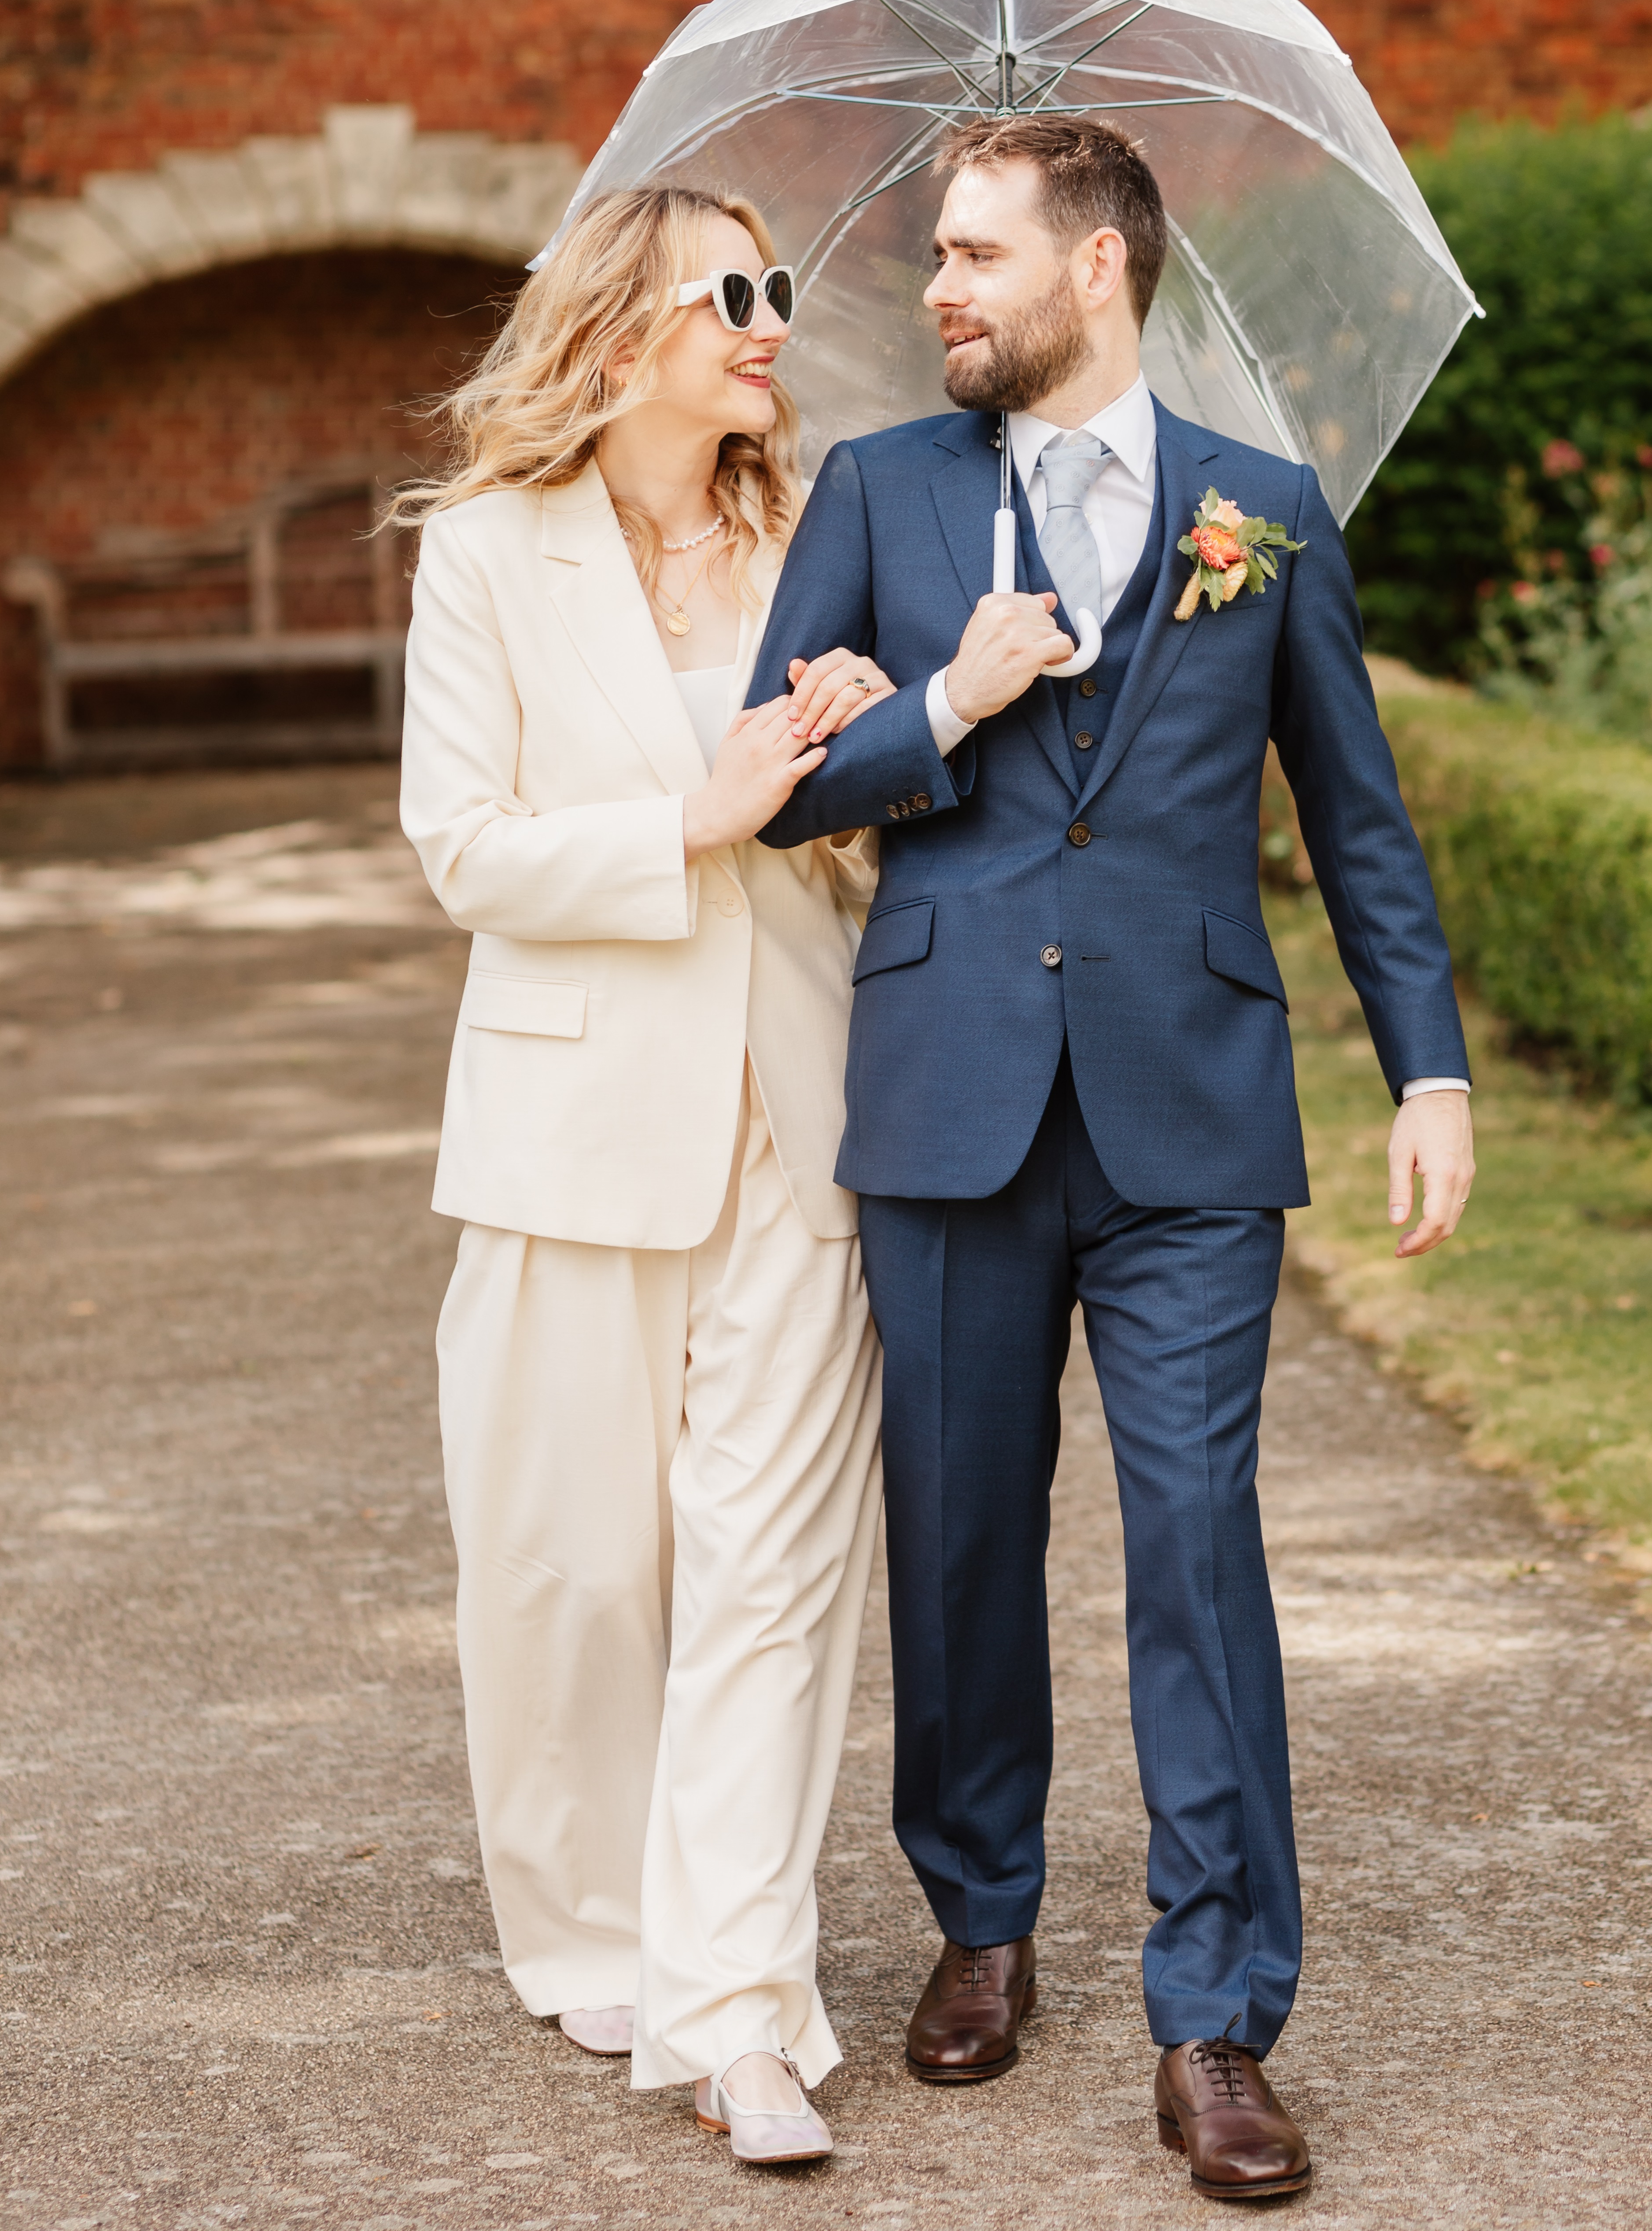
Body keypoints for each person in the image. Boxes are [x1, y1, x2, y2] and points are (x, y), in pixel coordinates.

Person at [748, 113, 1475, 2202]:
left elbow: (1356, 820)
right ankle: (982, 1913)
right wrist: (946, 711)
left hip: (1190, 1117)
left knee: (1199, 1549)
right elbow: (774, 780)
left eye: (976, 254)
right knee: (961, 1541)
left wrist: (1425, 1070)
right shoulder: (881, 495)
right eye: (936, 256)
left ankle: (1220, 2017)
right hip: (952, 1106)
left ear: (1101, 268)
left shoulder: (1265, 511)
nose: (940, 289)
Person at [398, 184, 897, 2165]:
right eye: (736, 294)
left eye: (778, 291)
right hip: (572, 1125)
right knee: (578, 1569)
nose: (774, 324)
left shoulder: (822, 532)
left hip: (803, 1113)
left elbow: (857, 849)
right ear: (625, 326)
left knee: (771, 1578)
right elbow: (468, 847)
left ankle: (740, 2001)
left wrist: (858, 765)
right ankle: (586, 1924)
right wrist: (695, 817)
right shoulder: (487, 553)